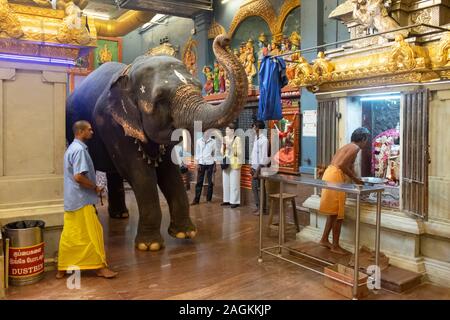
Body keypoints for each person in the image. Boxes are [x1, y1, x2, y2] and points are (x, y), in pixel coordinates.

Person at [56, 120, 117, 279]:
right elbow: (78, 176)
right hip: (82, 201)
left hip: (72, 201)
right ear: (81, 131)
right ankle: (100, 268)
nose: (92, 132)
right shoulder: (80, 150)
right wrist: (95, 187)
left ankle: (62, 268)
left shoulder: (71, 149)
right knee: (94, 233)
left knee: (71, 235)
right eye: (89, 130)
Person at [318, 127, 370, 255]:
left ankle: (324, 239)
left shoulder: (347, 146)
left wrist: (356, 178)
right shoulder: (355, 148)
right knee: (338, 215)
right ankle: (335, 245)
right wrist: (356, 179)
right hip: (335, 176)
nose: (367, 143)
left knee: (334, 212)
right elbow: (341, 165)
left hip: (329, 174)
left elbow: (346, 165)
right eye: (366, 140)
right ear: (363, 139)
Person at [191, 131, 217, 205]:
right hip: (201, 164)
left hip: (210, 164)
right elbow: (197, 153)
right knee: (199, 182)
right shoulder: (199, 141)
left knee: (210, 183)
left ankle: (208, 199)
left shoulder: (213, 142)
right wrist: (197, 163)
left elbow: (215, 152)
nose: (206, 135)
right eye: (205, 133)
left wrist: (214, 164)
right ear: (203, 134)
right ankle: (196, 200)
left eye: (208, 134)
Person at [221, 123, 243, 209]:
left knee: (234, 183)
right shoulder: (224, 139)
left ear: (232, 131)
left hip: (235, 163)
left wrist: (231, 148)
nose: (226, 132)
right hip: (226, 163)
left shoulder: (237, 139)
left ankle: (235, 201)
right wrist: (224, 147)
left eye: (228, 130)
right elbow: (221, 152)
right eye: (226, 130)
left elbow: (240, 152)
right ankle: (226, 200)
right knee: (225, 183)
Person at [251, 120, 270, 215]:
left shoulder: (264, 140)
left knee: (262, 189)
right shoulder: (256, 138)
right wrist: (252, 167)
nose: (253, 129)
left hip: (260, 169)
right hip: (254, 168)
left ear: (258, 128)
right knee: (254, 188)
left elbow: (263, 158)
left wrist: (257, 172)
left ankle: (263, 209)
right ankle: (259, 207)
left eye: (254, 127)